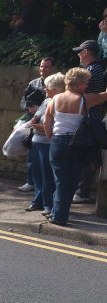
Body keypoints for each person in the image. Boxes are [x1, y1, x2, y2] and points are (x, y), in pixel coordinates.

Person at [43, 67, 107, 225]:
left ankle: (56, 212)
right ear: (77, 84)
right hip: (77, 143)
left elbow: (47, 122)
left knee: (61, 180)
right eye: (85, 82)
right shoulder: (85, 99)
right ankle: (59, 216)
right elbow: (105, 95)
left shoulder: (55, 100)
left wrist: (52, 138)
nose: (86, 85)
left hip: (57, 142)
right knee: (70, 181)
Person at [25, 72, 65, 216]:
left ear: (56, 89)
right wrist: (33, 121)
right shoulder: (46, 100)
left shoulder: (58, 102)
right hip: (37, 141)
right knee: (38, 175)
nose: (45, 89)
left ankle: (48, 204)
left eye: (47, 87)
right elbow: (38, 117)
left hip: (47, 142)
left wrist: (39, 126)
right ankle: (38, 201)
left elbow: (54, 126)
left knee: (48, 176)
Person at [72, 40, 105, 204]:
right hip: (90, 116)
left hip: (88, 118)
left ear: (86, 52)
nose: (78, 54)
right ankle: (81, 190)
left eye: (79, 51)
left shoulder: (92, 70)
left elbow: (79, 93)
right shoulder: (96, 69)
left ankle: (82, 191)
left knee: (83, 154)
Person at [18, 56, 54, 192]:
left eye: (46, 67)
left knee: (46, 158)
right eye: (41, 66)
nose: (43, 69)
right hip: (33, 122)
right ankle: (30, 181)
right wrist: (29, 109)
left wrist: (39, 108)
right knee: (31, 153)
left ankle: (44, 186)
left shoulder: (56, 84)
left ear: (52, 68)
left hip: (49, 125)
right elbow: (23, 102)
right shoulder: (33, 83)